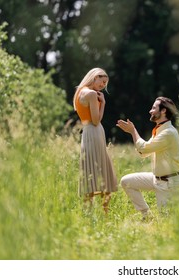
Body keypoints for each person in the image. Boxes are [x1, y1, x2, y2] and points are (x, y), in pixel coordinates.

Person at [116, 96, 179, 219]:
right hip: (157, 179)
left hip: (169, 184)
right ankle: (146, 216)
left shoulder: (168, 133)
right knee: (126, 182)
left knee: (166, 221)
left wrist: (133, 131)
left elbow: (143, 148)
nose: (150, 111)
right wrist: (133, 132)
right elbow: (144, 153)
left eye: (154, 108)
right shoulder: (160, 129)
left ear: (163, 111)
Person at [73, 67, 117, 213]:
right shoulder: (92, 94)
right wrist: (103, 103)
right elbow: (97, 121)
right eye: (102, 81)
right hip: (94, 132)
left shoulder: (80, 91)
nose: (103, 85)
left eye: (105, 83)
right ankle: (105, 214)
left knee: (89, 171)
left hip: (87, 133)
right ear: (95, 77)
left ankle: (89, 213)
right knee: (102, 171)